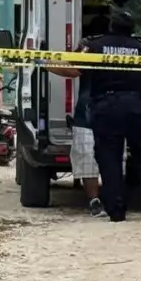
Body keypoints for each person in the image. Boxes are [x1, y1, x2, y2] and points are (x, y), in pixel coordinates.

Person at [81, 9, 141, 222]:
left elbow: (79, 69)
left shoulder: (96, 45)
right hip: (136, 105)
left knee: (109, 157)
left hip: (106, 106)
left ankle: (116, 211)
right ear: (132, 29)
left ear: (111, 26)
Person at [48, 12, 109, 216]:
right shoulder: (130, 45)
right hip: (117, 109)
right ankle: (115, 198)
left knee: (86, 156)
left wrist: (47, 64)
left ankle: (94, 200)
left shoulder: (89, 45)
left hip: (89, 109)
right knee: (113, 156)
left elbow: (74, 70)